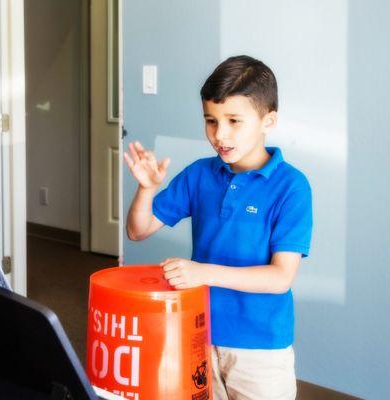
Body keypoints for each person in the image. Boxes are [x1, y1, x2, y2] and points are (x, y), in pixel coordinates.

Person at [125, 55, 312, 399]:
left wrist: (202, 273)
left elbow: (280, 277)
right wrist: (146, 189)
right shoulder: (200, 173)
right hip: (200, 331)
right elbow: (137, 231)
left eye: (233, 121)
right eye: (210, 120)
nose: (219, 135)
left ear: (268, 120)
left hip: (261, 347)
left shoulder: (292, 186)